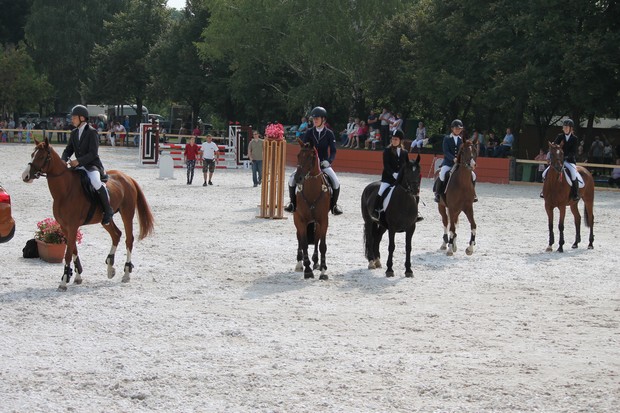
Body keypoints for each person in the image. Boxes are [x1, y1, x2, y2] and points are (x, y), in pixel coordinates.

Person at [60, 105, 114, 225]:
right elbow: (68, 150)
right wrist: (63, 160)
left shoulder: (92, 132)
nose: (72, 119)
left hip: (91, 165)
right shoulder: (74, 132)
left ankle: (108, 210)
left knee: (95, 182)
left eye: (74, 117)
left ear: (82, 118)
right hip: (78, 166)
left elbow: (93, 153)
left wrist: (78, 161)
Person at [284, 106, 343, 215]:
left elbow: (333, 151)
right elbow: (304, 147)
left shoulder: (329, 133)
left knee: (336, 183)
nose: (314, 120)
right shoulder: (309, 132)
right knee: (291, 180)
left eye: (317, 118)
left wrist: (329, 161)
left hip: (324, 164)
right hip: (309, 164)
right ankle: (292, 203)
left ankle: (334, 206)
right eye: (313, 118)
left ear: (323, 119)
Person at [371, 129, 423, 222]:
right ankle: (376, 210)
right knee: (381, 191)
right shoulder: (387, 150)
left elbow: (407, 165)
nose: (394, 141)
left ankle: (416, 212)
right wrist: (393, 173)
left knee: (414, 192)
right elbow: (386, 165)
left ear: (400, 141)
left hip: (400, 179)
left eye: (396, 139)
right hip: (388, 178)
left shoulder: (405, 152)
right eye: (393, 139)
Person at [434, 119, 477, 203]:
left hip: (460, 164)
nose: (458, 130)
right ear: (452, 128)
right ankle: (438, 194)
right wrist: (453, 158)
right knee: (442, 174)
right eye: (456, 128)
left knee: (473, 175)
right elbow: (446, 151)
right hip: (448, 163)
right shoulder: (447, 138)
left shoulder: (462, 140)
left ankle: (473, 194)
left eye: (459, 129)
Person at [541, 119, 581, 201]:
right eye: (564, 127)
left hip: (569, 161)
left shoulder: (574, 138)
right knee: (545, 173)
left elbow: (574, 152)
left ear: (571, 128)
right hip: (558, 160)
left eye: (567, 127)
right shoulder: (560, 136)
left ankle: (575, 194)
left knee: (573, 174)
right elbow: (555, 146)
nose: (565, 129)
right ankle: (543, 191)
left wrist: (566, 157)